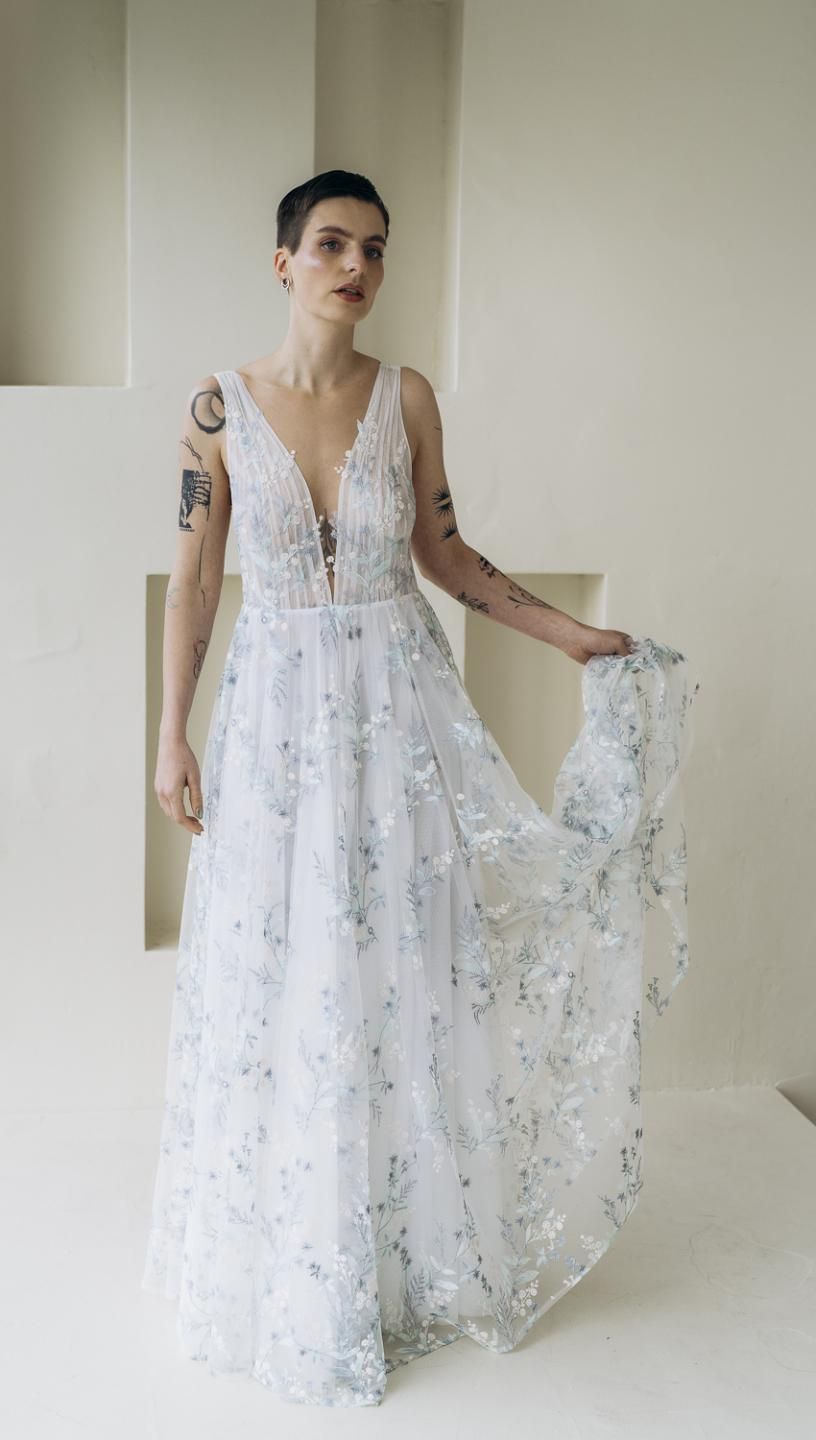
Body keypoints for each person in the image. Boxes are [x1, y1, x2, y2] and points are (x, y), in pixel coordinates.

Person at [141, 169, 699, 1408]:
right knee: (282, 964)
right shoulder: (216, 407)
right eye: (332, 244)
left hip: (399, 720)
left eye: (376, 249)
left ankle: (405, 1260)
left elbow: (445, 554)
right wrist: (170, 734)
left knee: (403, 961)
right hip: (276, 728)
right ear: (283, 261)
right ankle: (295, 1258)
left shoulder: (406, 398)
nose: (357, 266)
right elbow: (194, 580)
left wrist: (573, 639)